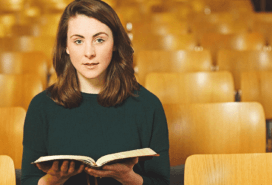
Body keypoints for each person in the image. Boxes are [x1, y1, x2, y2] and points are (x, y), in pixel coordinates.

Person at [21, 0, 170, 184]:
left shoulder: (148, 105)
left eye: (99, 39)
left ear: (114, 43)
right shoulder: (41, 106)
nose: (89, 52)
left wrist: (128, 178)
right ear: (66, 46)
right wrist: (52, 180)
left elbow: (162, 181)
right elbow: (28, 180)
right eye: (78, 41)